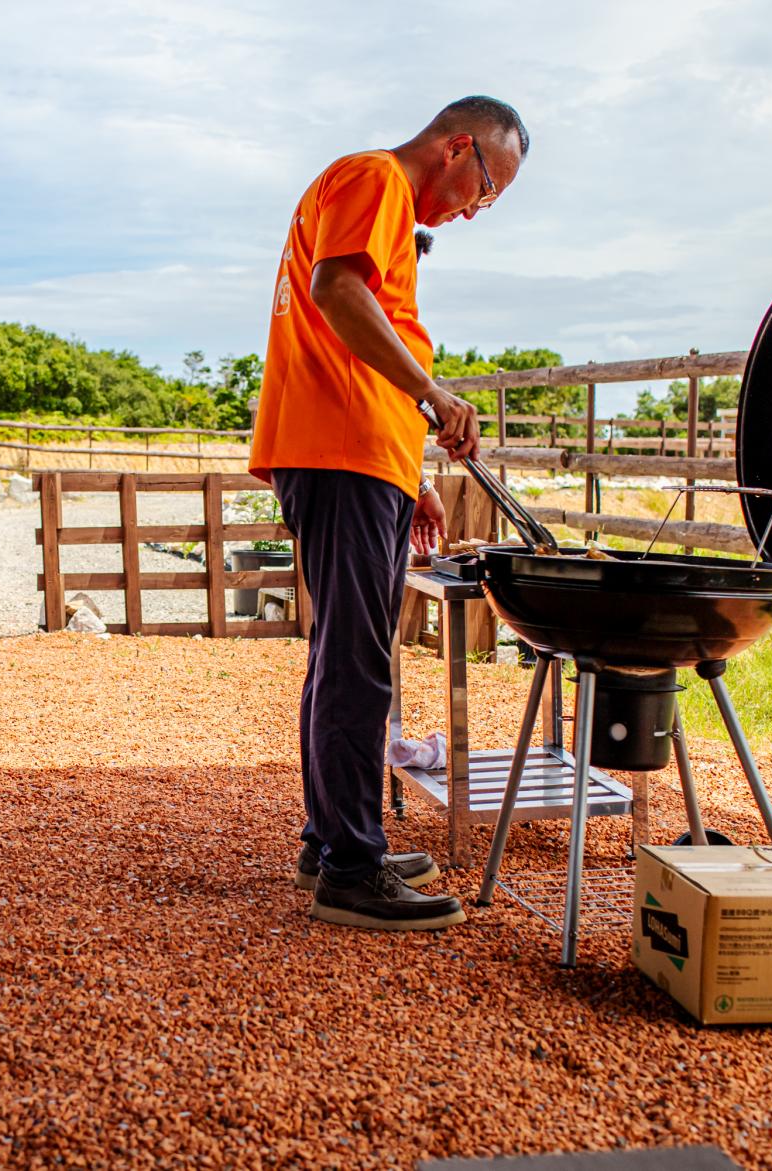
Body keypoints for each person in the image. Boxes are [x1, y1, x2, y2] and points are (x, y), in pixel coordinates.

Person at [249, 96, 528, 931]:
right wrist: (433, 394)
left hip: (357, 449)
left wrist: (409, 469)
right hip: (338, 449)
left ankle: (332, 838)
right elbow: (338, 292)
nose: (475, 210)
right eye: (485, 187)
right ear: (458, 145)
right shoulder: (375, 178)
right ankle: (351, 866)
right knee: (359, 658)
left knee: (345, 652)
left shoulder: (385, 204)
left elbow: (366, 335)